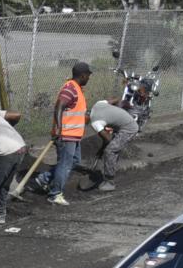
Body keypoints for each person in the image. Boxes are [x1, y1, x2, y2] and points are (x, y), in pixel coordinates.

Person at [45, 62, 91, 206]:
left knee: (74, 162)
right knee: (64, 165)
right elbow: (59, 106)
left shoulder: (77, 89)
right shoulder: (70, 88)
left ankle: (43, 179)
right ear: (82, 75)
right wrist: (59, 128)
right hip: (66, 135)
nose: (89, 78)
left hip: (74, 135)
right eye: (88, 75)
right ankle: (55, 194)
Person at [82, 99, 139, 193]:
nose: (84, 124)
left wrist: (103, 148)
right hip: (124, 125)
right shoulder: (98, 104)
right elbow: (115, 99)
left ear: (85, 116)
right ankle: (110, 170)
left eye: (83, 121)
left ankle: (109, 182)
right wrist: (117, 112)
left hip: (129, 129)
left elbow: (108, 138)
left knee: (110, 151)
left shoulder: (95, 123)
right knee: (111, 148)